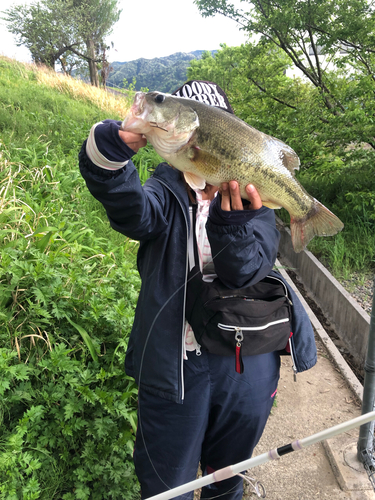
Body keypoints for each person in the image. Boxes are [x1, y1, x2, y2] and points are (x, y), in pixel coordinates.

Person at [79, 80, 317, 500]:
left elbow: (244, 271)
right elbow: (133, 213)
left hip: (246, 364)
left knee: (226, 475)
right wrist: (109, 153)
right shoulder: (162, 192)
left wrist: (232, 226)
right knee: (167, 483)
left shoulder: (254, 206)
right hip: (175, 363)